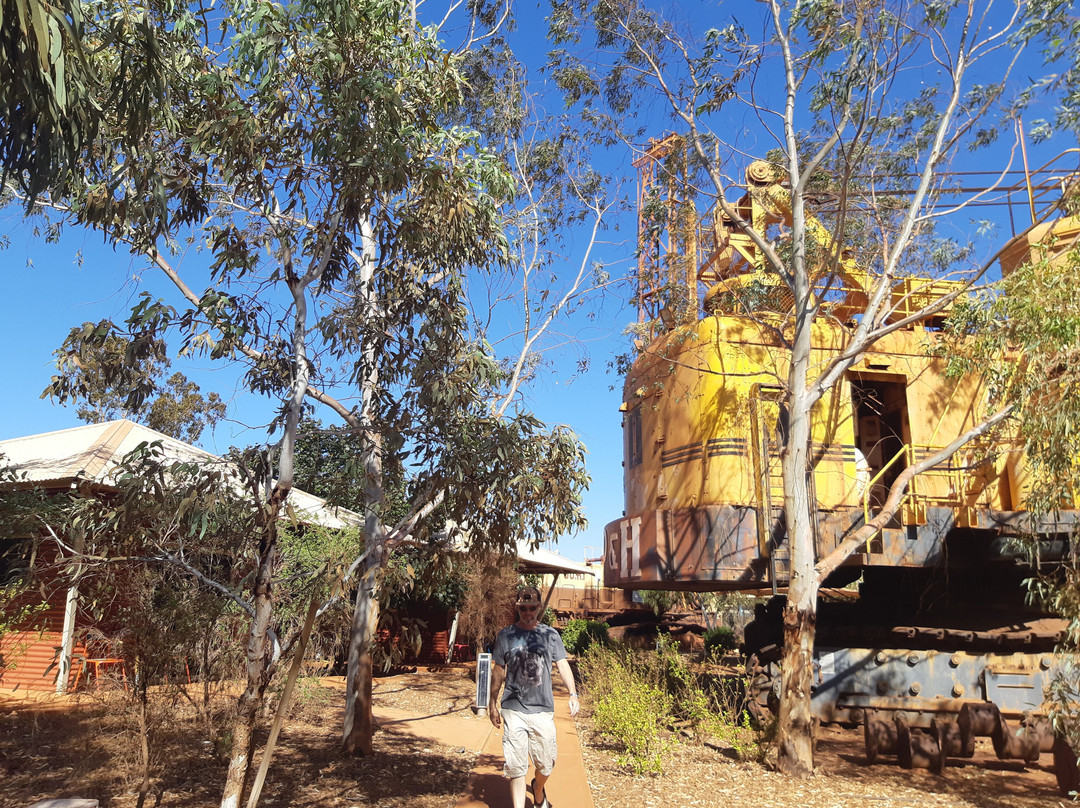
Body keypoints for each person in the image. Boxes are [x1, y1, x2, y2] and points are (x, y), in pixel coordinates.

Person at [488, 585, 580, 808]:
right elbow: (498, 670)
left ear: (539, 607)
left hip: (542, 709)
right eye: (523, 608)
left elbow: (562, 665)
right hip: (513, 708)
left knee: (546, 764)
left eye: (532, 608)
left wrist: (573, 693)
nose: (527, 613)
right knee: (516, 766)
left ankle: (538, 789)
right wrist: (491, 703)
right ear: (517, 608)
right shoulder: (506, 635)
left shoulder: (550, 635)